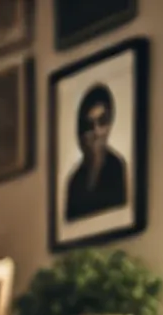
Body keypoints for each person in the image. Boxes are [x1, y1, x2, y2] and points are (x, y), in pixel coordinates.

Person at [65, 83, 128, 222]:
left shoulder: (117, 167)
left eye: (102, 121)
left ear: (110, 124)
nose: (96, 131)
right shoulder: (75, 180)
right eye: (89, 124)